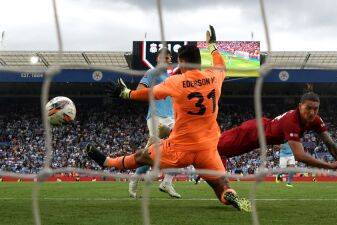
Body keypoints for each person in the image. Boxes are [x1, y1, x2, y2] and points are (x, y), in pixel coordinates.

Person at [86, 26, 251, 212]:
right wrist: (212, 45)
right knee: (221, 185)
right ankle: (228, 192)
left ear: (181, 61)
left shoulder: (176, 82)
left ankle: (108, 162)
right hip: (207, 147)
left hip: (179, 147)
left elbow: (148, 94)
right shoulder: (214, 76)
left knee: (142, 156)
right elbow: (219, 62)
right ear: (199, 61)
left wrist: (125, 93)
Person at [217, 92, 337, 171]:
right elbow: (299, 155)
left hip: (259, 135)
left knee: (216, 154)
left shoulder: (316, 120)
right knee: (214, 148)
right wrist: (329, 166)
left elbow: (331, 144)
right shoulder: (291, 121)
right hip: (251, 134)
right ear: (300, 106)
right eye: (308, 108)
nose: (312, 112)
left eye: (315, 109)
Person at [128, 48, 181, 199]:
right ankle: (137, 177)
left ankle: (167, 182)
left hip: (171, 118)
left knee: (181, 147)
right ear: (158, 59)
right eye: (165, 57)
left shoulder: (171, 78)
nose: (168, 60)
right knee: (153, 152)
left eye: (170, 58)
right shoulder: (152, 73)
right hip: (156, 116)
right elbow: (139, 91)